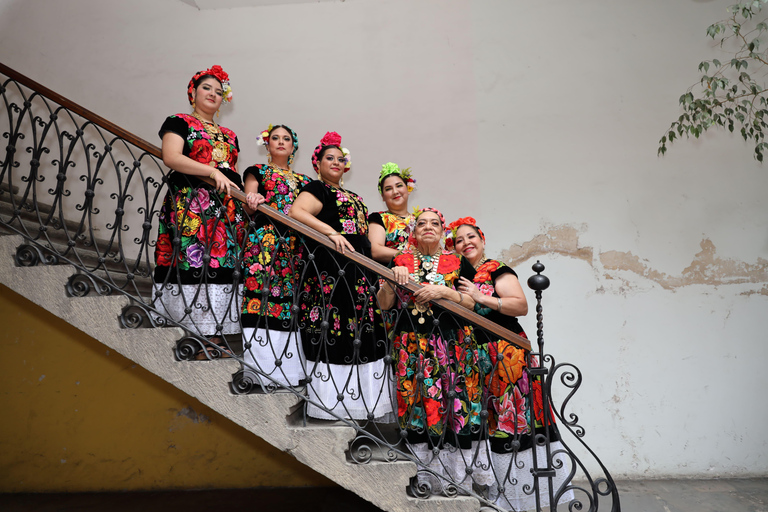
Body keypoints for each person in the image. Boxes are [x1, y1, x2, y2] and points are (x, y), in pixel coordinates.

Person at [448, 217, 574, 510]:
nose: (466, 243)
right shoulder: (455, 273)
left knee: (513, 418)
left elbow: (521, 305)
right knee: (486, 420)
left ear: (482, 239)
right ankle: (493, 488)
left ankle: (524, 495)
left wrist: (482, 297)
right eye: (458, 240)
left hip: (506, 350)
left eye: (471, 237)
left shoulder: (496, 268)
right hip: (474, 354)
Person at [377, 208, 489, 496]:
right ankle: (425, 479)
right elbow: (384, 305)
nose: (428, 227)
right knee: (416, 407)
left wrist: (445, 292)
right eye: (422, 223)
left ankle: (457, 480)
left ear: (442, 232)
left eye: (435, 223)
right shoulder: (399, 259)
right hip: (411, 347)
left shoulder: (458, 262)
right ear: (413, 232)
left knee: (453, 406)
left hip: (449, 346)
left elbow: (471, 303)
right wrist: (391, 278)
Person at [288, 132, 392, 421]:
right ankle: (331, 405)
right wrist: (331, 232)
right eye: (329, 158)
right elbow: (297, 211)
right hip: (331, 271)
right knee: (335, 330)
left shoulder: (357, 199)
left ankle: (360, 405)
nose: (335, 162)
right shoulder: (317, 189)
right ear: (317, 163)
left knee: (361, 332)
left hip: (358, 274)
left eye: (340, 159)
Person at [153, 65, 243, 359]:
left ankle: (212, 337)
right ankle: (195, 337)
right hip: (191, 204)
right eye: (207, 88)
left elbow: (234, 174)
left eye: (219, 92)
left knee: (219, 268)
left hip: (223, 210)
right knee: (195, 263)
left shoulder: (229, 134)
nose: (213, 94)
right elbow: (171, 157)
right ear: (192, 92)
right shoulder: (179, 121)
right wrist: (211, 171)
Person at [240, 124, 312, 388]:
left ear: (293, 146)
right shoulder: (256, 171)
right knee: (262, 299)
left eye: (287, 139)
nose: (281, 142)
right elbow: (247, 197)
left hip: (296, 249)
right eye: (275, 138)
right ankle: (260, 372)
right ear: (266, 144)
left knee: (291, 304)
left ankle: (288, 373)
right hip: (265, 244)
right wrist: (253, 197)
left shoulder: (306, 182)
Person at [367, 162, 416, 265]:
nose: (395, 192)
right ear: (383, 197)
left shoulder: (420, 220)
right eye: (388, 189)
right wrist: (411, 258)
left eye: (399, 186)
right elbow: (376, 251)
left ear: (408, 189)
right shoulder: (378, 218)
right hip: (391, 277)